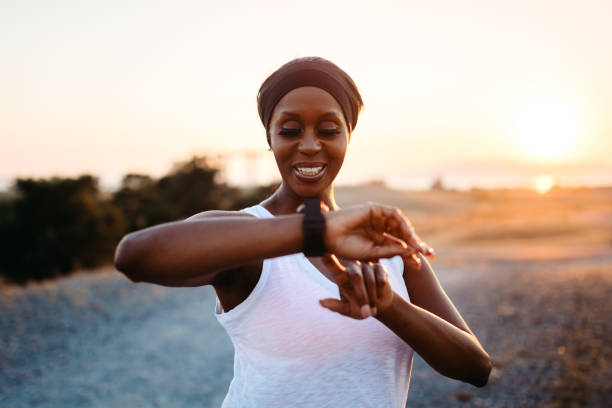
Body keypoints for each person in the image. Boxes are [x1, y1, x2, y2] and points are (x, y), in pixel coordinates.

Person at [114, 56, 491, 407]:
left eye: (328, 129)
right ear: (270, 138)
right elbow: (135, 257)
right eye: (290, 130)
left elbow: (475, 368)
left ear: (348, 136)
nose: (309, 146)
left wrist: (389, 306)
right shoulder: (250, 235)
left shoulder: (387, 248)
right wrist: (316, 231)